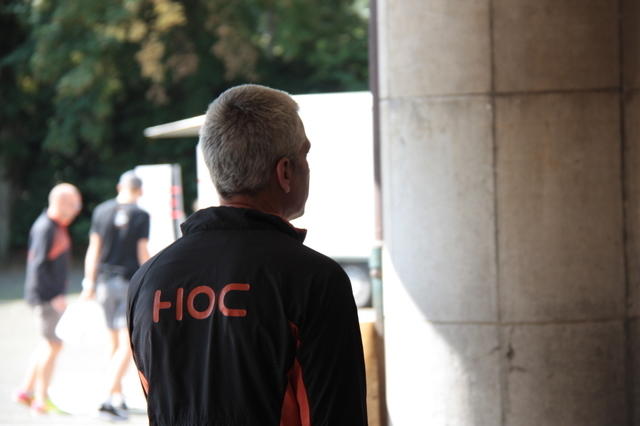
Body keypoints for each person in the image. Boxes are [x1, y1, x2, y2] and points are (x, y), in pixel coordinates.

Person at [128, 84, 368, 425]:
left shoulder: (148, 280)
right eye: (305, 156)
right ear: (285, 171)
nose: (308, 168)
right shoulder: (315, 281)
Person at [81, 170, 150, 421]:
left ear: (119, 186)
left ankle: (118, 397)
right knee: (127, 345)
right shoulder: (141, 215)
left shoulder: (101, 211)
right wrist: (152, 276)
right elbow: (142, 251)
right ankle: (107, 397)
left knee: (113, 343)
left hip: (103, 284)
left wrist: (88, 282)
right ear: (140, 191)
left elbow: (94, 249)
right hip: (128, 284)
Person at [14, 183, 82, 414]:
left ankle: (26, 391)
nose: (77, 210)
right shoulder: (46, 228)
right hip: (46, 298)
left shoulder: (54, 226)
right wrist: (53, 297)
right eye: (74, 205)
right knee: (54, 345)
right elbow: (38, 266)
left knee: (47, 344)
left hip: (48, 297)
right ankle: (41, 399)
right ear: (61, 203)